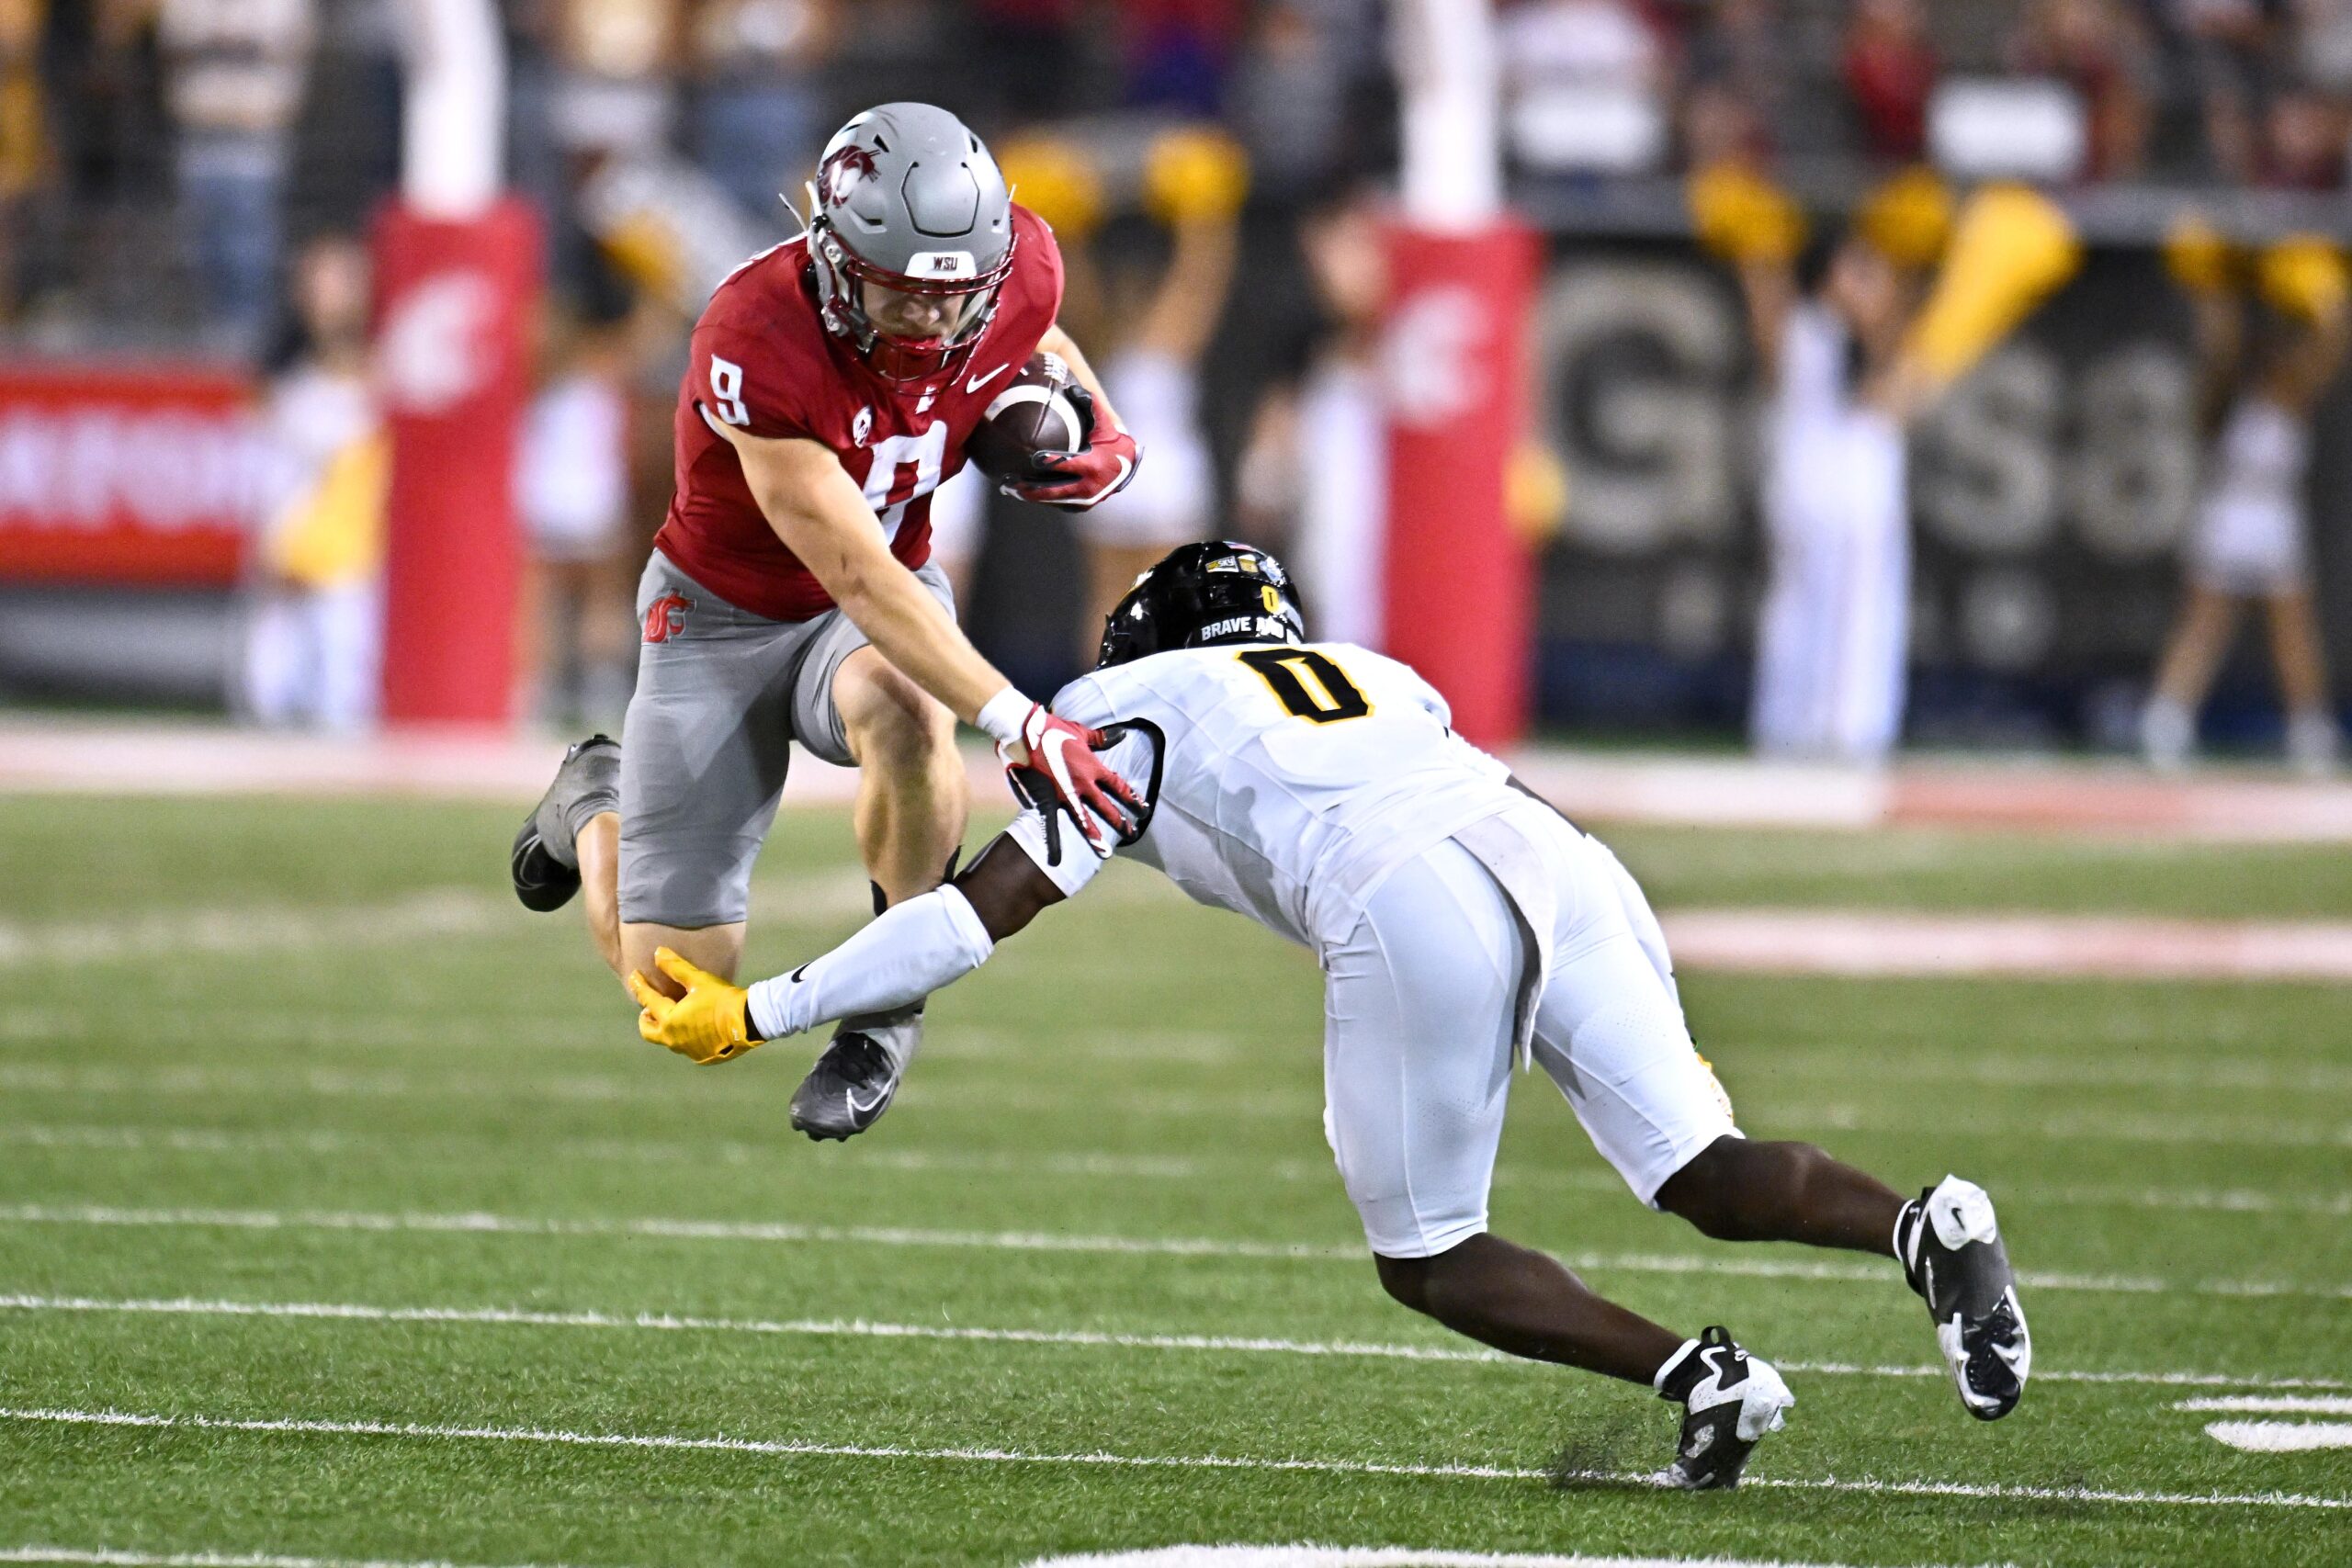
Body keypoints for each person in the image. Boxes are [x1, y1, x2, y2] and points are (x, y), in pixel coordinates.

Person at [628, 541, 2033, 1490]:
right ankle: (1927, 1223)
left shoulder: (1128, 699)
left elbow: (971, 914)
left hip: (1407, 889)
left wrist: (768, 1007)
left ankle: (1704, 1377)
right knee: (1703, 1167)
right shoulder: (1373, 670)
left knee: (1428, 1253)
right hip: (1558, 855)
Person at [508, 103, 1143, 1142]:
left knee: (902, 702)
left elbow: (1032, 331)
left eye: (955, 294)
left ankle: (885, 1009)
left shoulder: (1015, 266)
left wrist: (1104, 424)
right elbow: (854, 572)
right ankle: (593, 793)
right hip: (720, 618)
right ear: (837, 257)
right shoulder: (754, 336)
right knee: (677, 995)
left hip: (877, 597)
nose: (934, 322)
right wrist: (1023, 722)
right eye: (902, 293)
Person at [2143, 229, 2350, 773]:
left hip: (2274, 513)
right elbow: (2220, 340)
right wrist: (2222, 287)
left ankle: (2308, 727)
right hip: (2230, 509)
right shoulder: (2224, 392)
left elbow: (2333, 337)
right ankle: (2165, 717)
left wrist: (2316, 287)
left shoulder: (2292, 388)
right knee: (2205, 622)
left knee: (2292, 629)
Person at [240, 233, 386, 734]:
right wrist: (276, 546)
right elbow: (271, 476)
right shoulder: (286, 378)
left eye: (339, 281)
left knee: (344, 698)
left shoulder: (384, 377)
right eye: (315, 282)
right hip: (291, 549)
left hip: (354, 561)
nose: (326, 295)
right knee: (267, 695)